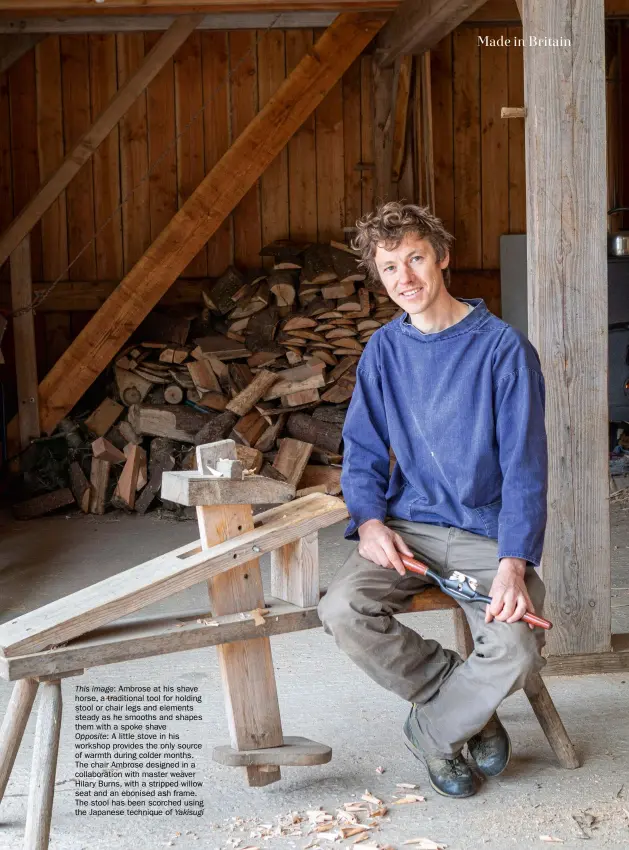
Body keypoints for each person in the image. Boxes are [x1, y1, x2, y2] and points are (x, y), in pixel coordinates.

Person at [318, 201, 548, 798]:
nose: (405, 278)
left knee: (519, 645)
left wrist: (513, 563)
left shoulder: (504, 350)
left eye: (415, 258)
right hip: (409, 526)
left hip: (486, 535)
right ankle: (457, 694)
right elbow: (362, 450)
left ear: (442, 257)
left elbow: (526, 467)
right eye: (390, 267)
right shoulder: (384, 352)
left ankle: (435, 728)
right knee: (342, 609)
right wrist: (368, 522)